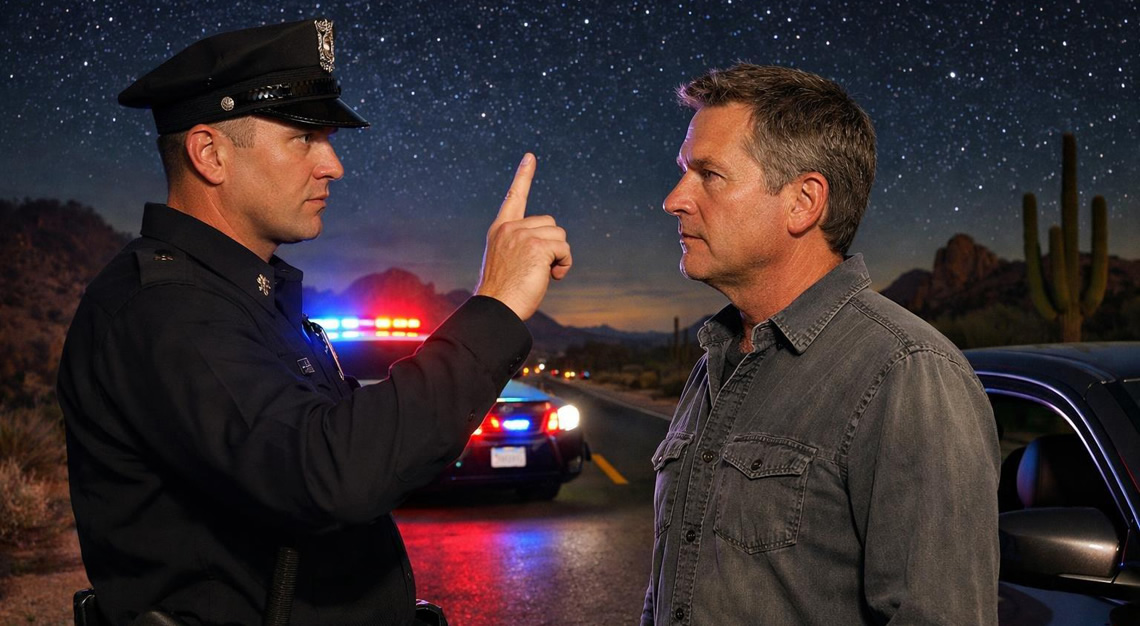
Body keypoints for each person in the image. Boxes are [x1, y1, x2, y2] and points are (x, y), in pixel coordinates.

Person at [57, 18, 570, 626]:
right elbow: (330, 474)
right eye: (304, 138)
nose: (333, 165)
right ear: (209, 153)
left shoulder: (243, 297)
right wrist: (497, 306)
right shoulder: (163, 309)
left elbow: (357, 445)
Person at [643, 64, 999, 625]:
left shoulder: (905, 373)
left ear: (804, 202)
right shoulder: (718, 359)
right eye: (684, 173)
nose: (674, 199)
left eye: (708, 174)